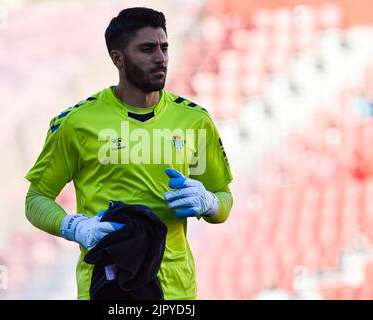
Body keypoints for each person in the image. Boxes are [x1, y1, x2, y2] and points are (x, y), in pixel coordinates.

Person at [25, 7, 234, 300]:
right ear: (118, 58)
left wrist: (209, 202)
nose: (160, 58)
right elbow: (36, 200)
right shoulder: (77, 123)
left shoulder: (194, 121)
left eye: (164, 48)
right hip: (106, 287)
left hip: (176, 290)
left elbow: (223, 200)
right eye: (147, 49)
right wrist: (75, 227)